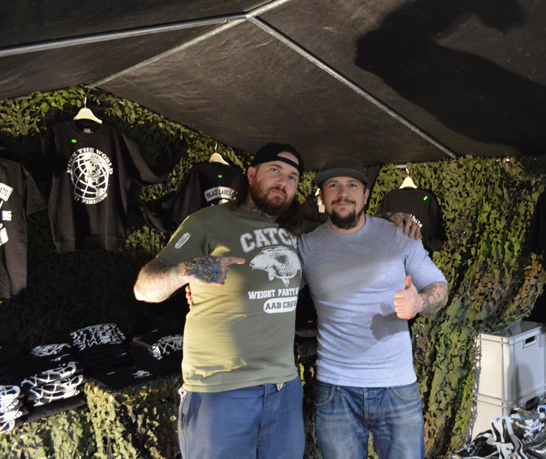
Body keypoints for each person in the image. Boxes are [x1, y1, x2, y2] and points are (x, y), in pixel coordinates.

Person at [134, 143, 307, 459]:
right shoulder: (207, 222)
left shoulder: (295, 232)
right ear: (251, 175)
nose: (284, 182)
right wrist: (188, 270)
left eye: (293, 177)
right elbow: (144, 288)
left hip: (284, 390)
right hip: (220, 392)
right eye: (275, 171)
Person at [298, 158, 449, 459]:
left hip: (397, 387)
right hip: (336, 390)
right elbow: (271, 289)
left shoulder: (399, 235)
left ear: (366, 195)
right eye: (333, 186)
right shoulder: (306, 246)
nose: (343, 193)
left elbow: (439, 287)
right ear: (322, 196)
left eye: (352, 185)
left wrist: (420, 302)